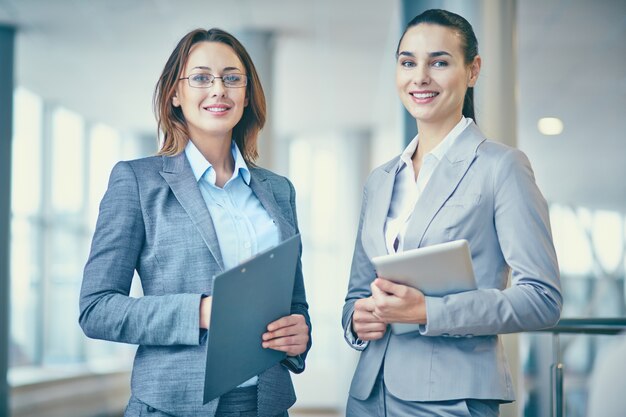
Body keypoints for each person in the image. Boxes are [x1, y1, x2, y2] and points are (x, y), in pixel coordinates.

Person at [79, 28, 311, 417]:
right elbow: (96, 309)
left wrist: (299, 335)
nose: (219, 89)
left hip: (266, 406)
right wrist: (200, 312)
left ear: (247, 94)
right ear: (175, 94)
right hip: (171, 407)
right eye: (201, 77)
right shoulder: (136, 181)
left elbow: (294, 303)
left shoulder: (279, 190)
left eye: (232, 78)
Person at [342, 9, 562, 416]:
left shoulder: (501, 167)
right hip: (369, 397)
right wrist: (357, 321)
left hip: (451, 401)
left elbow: (542, 299)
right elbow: (358, 292)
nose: (419, 77)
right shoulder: (380, 179)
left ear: (472, 70)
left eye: (439, 62)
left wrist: (429, 311)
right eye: (408, 62)